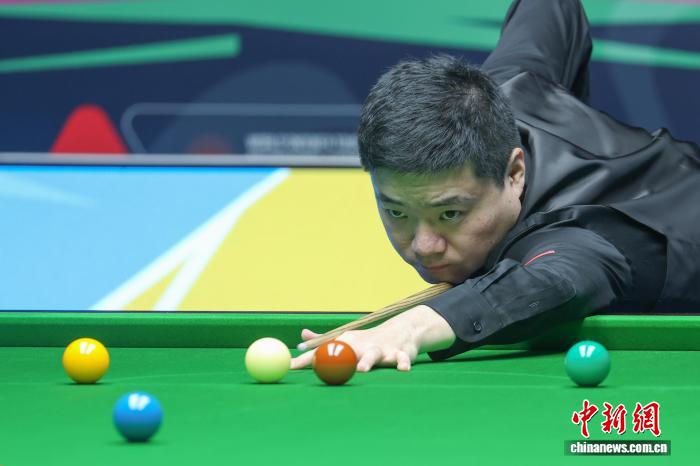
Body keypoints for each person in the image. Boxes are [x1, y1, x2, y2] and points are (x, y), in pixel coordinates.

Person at [291, 0, 700, 372]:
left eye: (450, 214)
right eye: (397, 212)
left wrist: (409, 328)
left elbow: (550, 282)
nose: (424, 246)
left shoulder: (580, 236)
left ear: (515, 173)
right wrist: (571, 111)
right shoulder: (499, 93)